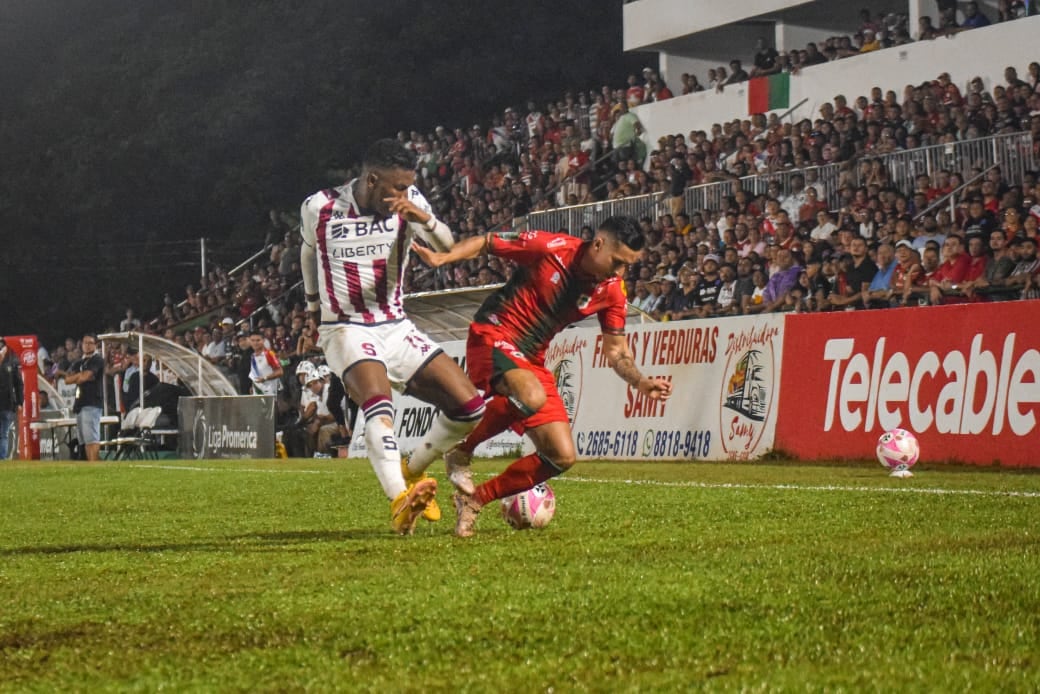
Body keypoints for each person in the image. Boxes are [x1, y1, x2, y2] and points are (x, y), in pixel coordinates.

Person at [410, 216, 673, 537]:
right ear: (598, 244)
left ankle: (475, 500)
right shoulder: (552, 248)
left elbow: (616, 351)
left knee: (561, 455)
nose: (620, 272)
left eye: (627, 266)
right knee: (530, 395)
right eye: (617, 262)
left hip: (531, 358)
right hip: (494, 331)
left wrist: (640, 381)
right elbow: (488, 242)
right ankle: (462, 449)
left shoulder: (612, 291)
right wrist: (444, 257)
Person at [299, 138, 486, 535]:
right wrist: (313, 304)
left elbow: (447, 246)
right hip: (345, 326)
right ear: (372, 180)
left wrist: (421, 216)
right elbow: (308, 252)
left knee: (469, 407)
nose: (404, 193)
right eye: (397, 187)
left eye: (408, 187)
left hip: (396, 326)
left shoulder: (410, 201)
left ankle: (412, 469)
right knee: (378, 404)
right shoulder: (320, 207)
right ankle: (400, 499)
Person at [54, 334, 104, 461]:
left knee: (92, 439)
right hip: (80, 404)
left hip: (91, 403)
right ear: (81, 345)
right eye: (85, 343)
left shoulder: (97, 360)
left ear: (95, 345)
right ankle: (90, 464)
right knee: (84, 441)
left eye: (90, 343)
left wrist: (79, 377)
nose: (87, 345)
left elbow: (84, 377)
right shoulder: (79, 362)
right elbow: (67, 379)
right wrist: (80, 376)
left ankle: (95, 465)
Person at [0, 340, 24, 460]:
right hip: (6, 402)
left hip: (7, 403)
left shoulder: (12, 361)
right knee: (3, 433)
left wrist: (20, 402)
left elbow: (18, 383)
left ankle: (2, 457)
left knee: (4, 433)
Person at [247, 330, 284, 396]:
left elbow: (280, 371)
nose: (255, 343)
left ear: (263, 340)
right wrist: (253, 386)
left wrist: (265, 378)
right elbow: (255, 374)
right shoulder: (253, 356)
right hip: (258, 390)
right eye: (253, 340)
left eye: (258, 340)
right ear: (250, 341)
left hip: (271, 390)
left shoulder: (270, 353)